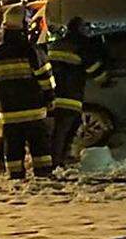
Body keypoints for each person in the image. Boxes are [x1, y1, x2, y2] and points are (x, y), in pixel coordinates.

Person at [0, 5, 56, 179]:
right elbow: (45, 78)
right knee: (40, 150)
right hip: (34, 113)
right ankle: (43, 178)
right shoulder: (32, 51)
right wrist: (50, 97)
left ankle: (16, 179)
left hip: (10, 115)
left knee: (13, 150)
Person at [48, 16, 112, 165]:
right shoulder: (81, 46)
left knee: (61, 129)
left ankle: (59, 158)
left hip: (53, 94)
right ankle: (57, 160)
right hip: (70, 95)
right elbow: (93, 68)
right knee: (66, 129)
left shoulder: (57, 44)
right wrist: (104, 80)